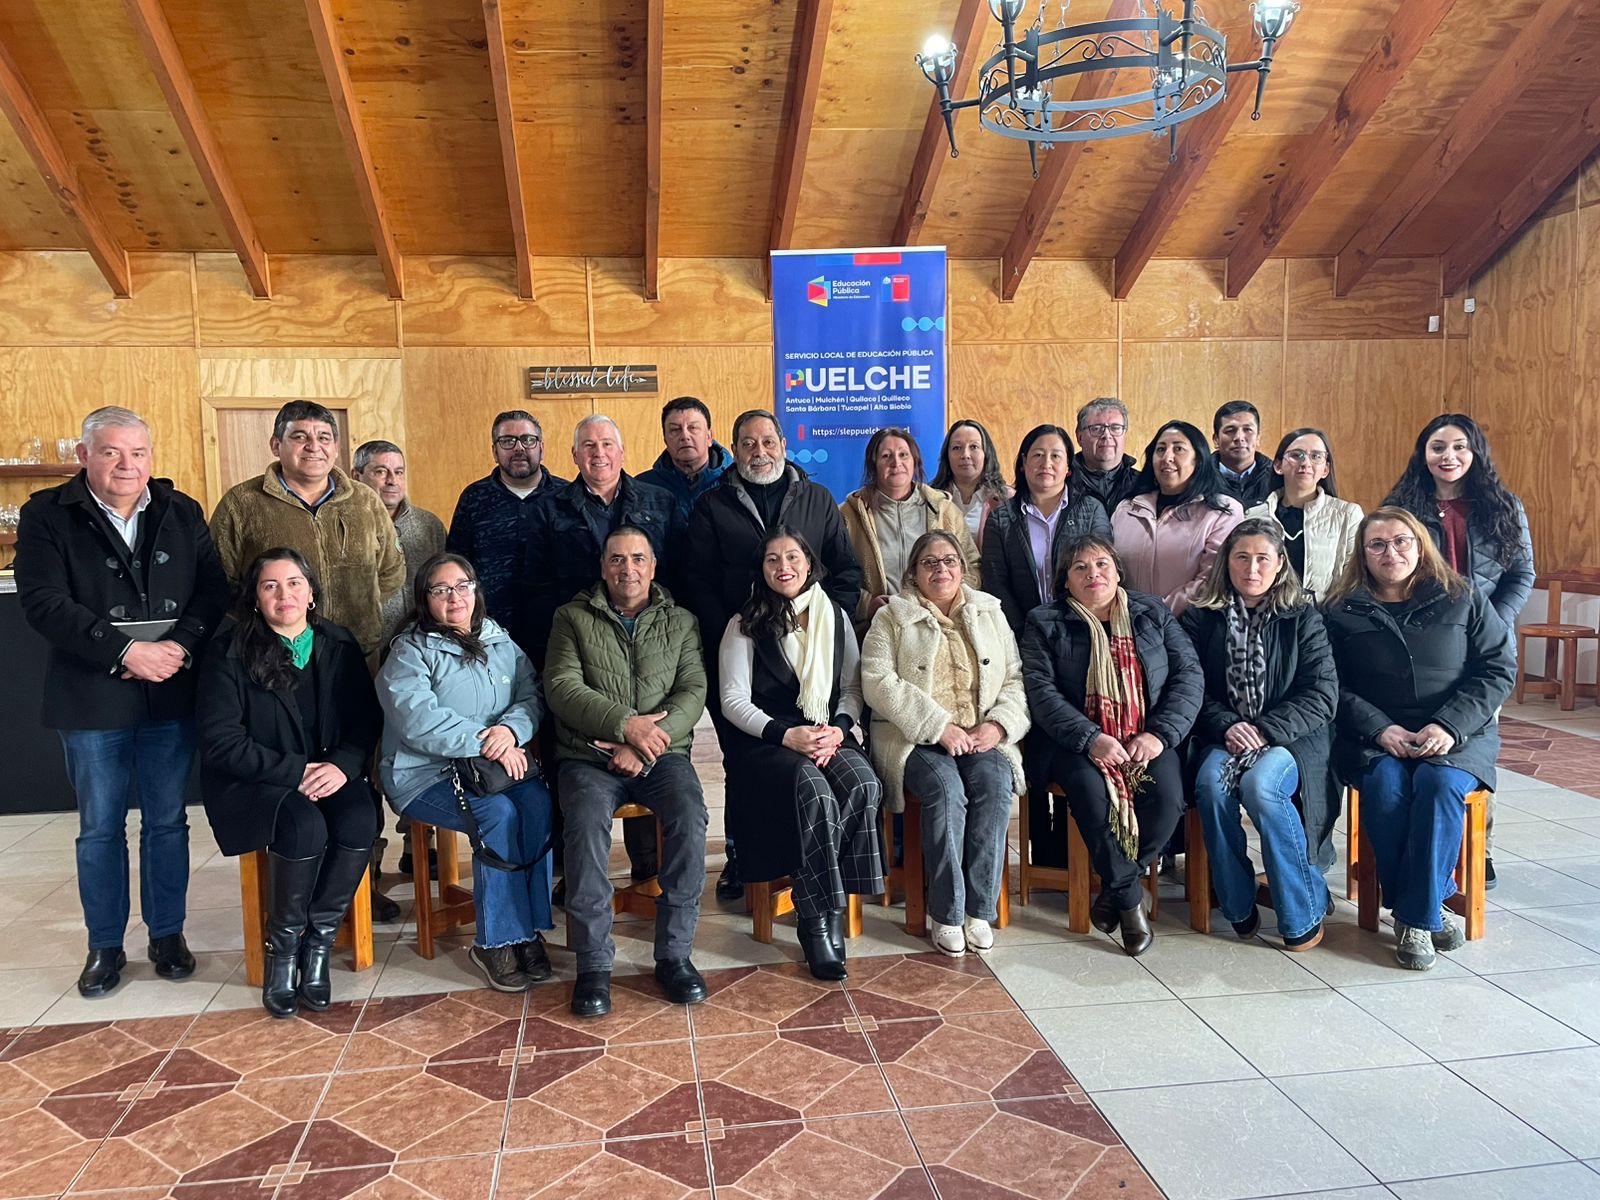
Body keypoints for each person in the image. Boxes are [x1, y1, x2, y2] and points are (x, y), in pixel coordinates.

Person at [14, 406, 229, 998]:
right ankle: (104, 945)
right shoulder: (46, 515)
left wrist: (181, 646)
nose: (126, 465)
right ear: (84, 456)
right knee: (99, 828)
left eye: (137, 452)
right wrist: (124, 652)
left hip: (171, 690)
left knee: (167, 822)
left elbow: (213, 589)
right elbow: (42, 601)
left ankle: (167, 936)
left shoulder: (181, 510)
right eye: (110, 452)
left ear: (151, 458)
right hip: (91, 695)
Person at [683, 409, 864, 901]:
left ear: (783, 443)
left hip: (813, 653)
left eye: (767, 441)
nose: (758, 451)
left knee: (823, 773)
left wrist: (827, 624)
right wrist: (742, 627)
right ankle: (745, 859)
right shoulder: (712, 505)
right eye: (747, 443)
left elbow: (845, 570)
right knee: (742, 765)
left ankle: (819, 864)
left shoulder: (818, 499)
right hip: (745, 649)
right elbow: (695, 580)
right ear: (733, 449)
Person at [1324, 508, 1514, 970]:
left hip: (1458, 733)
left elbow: (1498, 668)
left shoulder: (1462, 596)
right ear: (1362, 553)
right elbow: (1330, 684)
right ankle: (1431, 906)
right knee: (1386, 788)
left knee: (1438, 785)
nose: (1391, 552)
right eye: (1378, 545)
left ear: (1420, 545)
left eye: (1402, 541)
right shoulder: (1340, 609)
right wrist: (1379, 728)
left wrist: (1448, 726)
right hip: (1377, 735)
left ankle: (1414, 917)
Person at [196, 550, 380, 1017]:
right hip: (257, 779)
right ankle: (283, 949)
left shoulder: (338, 643)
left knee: (361, 817)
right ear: (255, 598)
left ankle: (317, 945)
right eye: (271, 585)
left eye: (295, 583)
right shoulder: (228, 651)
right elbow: (222, 742)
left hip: (330, 770)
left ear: (312, 592)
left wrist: (342, 764)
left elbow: (365, 720)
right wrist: (295, 772)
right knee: (304, 826)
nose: (285, 595)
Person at [543, 527, 710, 1017]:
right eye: (617, 559)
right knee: (586, 829)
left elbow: (692, 689)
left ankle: (675, 955)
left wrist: (643, 745)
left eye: (638, 559)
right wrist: (625, 726)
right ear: (602, 567)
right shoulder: (571, 618)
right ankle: (593, 965)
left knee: (690, 816)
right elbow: (561, 686)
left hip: (661, 757)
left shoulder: (680, 621)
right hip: (588, 758)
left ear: (653, 567)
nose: (628, 569)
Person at [377, 553, 556, 992]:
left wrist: (510, 732)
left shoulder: (499, 640)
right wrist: (487, 741)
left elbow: (530, 694)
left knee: (536, 806)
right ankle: (496, 941)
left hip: (494, 764)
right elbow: (418, 720)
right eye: (440, 590)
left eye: (462, 586)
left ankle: (530, 930)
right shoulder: (410, 650)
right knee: (497, 816)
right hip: (425, 774)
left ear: (476, 590)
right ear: (425, 600)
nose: (454, 597)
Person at [1021, 535, 1201, 956]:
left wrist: (1160, 735)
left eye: (1101, 564)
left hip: (1148, 736)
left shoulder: (1151, 612)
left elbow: (1188, 677)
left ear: (1118, 572)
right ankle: (1130, 901)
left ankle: (1115, 890)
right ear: (1065, 580)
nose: (1093, 574)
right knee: (1090, 795)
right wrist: (1091, 738)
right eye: (1080, 567)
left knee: (1169, 798)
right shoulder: (1044, 621)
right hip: (1073, 742)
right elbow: (1041, 693)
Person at [718, 528, 884, 980]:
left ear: (809, 564)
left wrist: (841, 729)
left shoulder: (835, 617)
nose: (783, 567)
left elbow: (852, 689)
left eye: (793, 557)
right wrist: (784, 736)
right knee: (814, 792)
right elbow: (734, 702)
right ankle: (816, 918)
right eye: (773, 560)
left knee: (864, 783)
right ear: (763, 569)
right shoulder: (744, 624)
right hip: (769, 744)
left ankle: (821, 896)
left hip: (828, 733)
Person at [862, 531, 1030, 957]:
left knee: (994, 785)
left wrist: (998, 726)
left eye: (950, 561)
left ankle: (979, 909)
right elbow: (878, 682)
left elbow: (1014, 677)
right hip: (913, 737)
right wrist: (938, 726)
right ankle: (948, 911)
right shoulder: (891, 617)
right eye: (930, 563)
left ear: (963, 568)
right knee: (945, 790)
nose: (942, 570)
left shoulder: (990, 612)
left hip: (980, 733)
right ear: (914, 573)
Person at [1384, 413, 1533, 890]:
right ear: (1422, 454)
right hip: (1424, 645)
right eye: (1437, 447)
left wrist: (1489, 623)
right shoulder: (1403, 505)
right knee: (1421, 747)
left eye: (1459, 447)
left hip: (1484, 646)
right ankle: (1417, 842)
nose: (1448, 456)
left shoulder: (1503, 506)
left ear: (1475, 453)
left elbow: (1521, 575)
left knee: (1472, 748)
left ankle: (1477, 848)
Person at [527, 415, 678, 885]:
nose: (598, 453)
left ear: (623, 451)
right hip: (576, 646)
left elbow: (677, 575)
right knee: (571, 759)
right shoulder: (547, 508)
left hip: (647, 646)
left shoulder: (658, 501)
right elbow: (532, 584)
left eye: (607, 444)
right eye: (588, 446)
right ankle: (571, 872)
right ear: (573, 456)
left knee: (645, 739)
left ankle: (647, 863)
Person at [1180, 519, 1338, 951]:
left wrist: (1266, 730)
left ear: (1280, 564)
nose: (1252, 568)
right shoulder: (1201, 616)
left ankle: (1300, 908)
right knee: (1211, 786)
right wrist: (1228, 725)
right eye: (1241, 557)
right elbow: (1191, 687)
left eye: (1262, 558)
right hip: (1223, 735)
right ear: (1225, 563)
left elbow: (1322, 694)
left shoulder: (1302, 615)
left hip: (1292, 739)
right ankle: (1237, 903)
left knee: (1262, 786)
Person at [209, 401, 404, 659]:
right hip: (271, 655)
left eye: (324, 437)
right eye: (300, 436)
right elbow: (218, 579)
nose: (314, 446)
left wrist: (363, 609)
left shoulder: (365, 501)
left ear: (335, 448)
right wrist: (264, 624)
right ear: (276, 445)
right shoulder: (242, 503)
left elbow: (391, 570)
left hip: (355, 652)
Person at [445, 410, 568, 654]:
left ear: (541, 447)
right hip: (488, 632)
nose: (519, 448)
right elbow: (456, 565)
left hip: (557, 631)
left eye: (528, 439)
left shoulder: (566, 497)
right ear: (494, 450)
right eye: (508, 441)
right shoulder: (474, 498)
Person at [840, 426, 979, 639]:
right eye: (886, 456)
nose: (896, 463)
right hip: (878, 629)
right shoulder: (849, 515)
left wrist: (947, 599)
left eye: (903, 455)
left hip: (938, 629)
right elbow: (834, 574)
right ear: (873, 465)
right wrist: (865, 605)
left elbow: (973, 566)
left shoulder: (943, 510)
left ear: (915, 461)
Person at [980, 423, 1113, 637]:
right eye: (1038, 455)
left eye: (1056, 456)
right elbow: (996, 583)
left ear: (1069, 467)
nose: (1046, 463)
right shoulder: (1000, 517)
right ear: (1024, 462)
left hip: (1084, 630)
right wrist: (1025, 630)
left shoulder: (1091, 510)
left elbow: (1103, 572)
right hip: (1021, 633)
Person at [1111, 420, 1244, 617]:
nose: (1167, 457)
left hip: (1189, 629)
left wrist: (1156, 615)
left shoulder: (1223, 511)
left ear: (1198, 460)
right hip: (1126, 627)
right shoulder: (1126, 509)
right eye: (1161, 449)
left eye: (1179, 449)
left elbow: (1210, 579)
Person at [1245, 429, 1363, 601]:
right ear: (1278, 465)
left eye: (1316, 456)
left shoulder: (1347, 515)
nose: (1306, 463)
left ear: (1325, 470)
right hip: (1265, 617)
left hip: (1325, 620)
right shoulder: (1253, 516)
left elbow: (1354, 578)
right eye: (1296, 455)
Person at [353, 439, 446, 643]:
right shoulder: (346, 526)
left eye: (399, 472)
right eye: (380, 472)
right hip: (366, 643)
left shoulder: (429, 525)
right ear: (356, 476)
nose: (392, 480)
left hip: (425, 641)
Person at [637, 395, 733, 526]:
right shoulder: (642, 487)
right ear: (665, 439)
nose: (685, 436)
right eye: (675, 430)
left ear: (709, 437)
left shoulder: (735, 482)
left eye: (693, 428)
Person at [929, 418, 1012, 548]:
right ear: (947, 455)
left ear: (986, 454)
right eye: (957, 448)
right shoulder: (931, 497)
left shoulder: (1006, 499)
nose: (965, 455)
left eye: (974, 447)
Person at [1070, 398, 1141, 514]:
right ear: (1079, 437)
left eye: (1115, 428)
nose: (1107, 435)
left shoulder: (1144, 485)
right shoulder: (1061, 484)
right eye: (1097, 429)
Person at [1212, 401, 1276, 508]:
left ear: (1258, 438)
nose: (1239, 437)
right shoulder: (1197, 478)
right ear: (1216, 440)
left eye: (1247, 430)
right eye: (1230, 430)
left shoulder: (1276, 478)